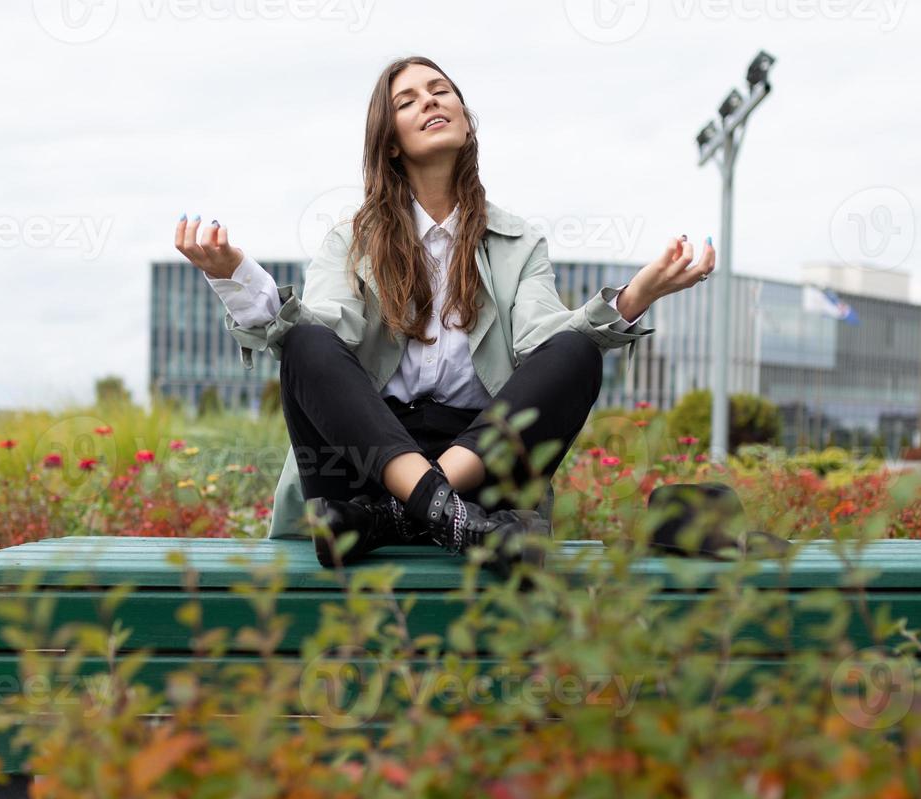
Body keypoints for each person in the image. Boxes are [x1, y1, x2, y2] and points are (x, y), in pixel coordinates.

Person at [175, 55, 715, 577]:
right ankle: (448, 517)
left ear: (464, 117)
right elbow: (326, 335)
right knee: (306, 345)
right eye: (407, 100)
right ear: (390, 141)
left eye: (441, 91)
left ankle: (405, 516)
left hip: (480, 465)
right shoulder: (349, 241)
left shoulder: (521, 243)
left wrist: (633, 297)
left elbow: (543, 343)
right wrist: (238, 280)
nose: (431, 100)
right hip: (366, 465)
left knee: (577, 353)